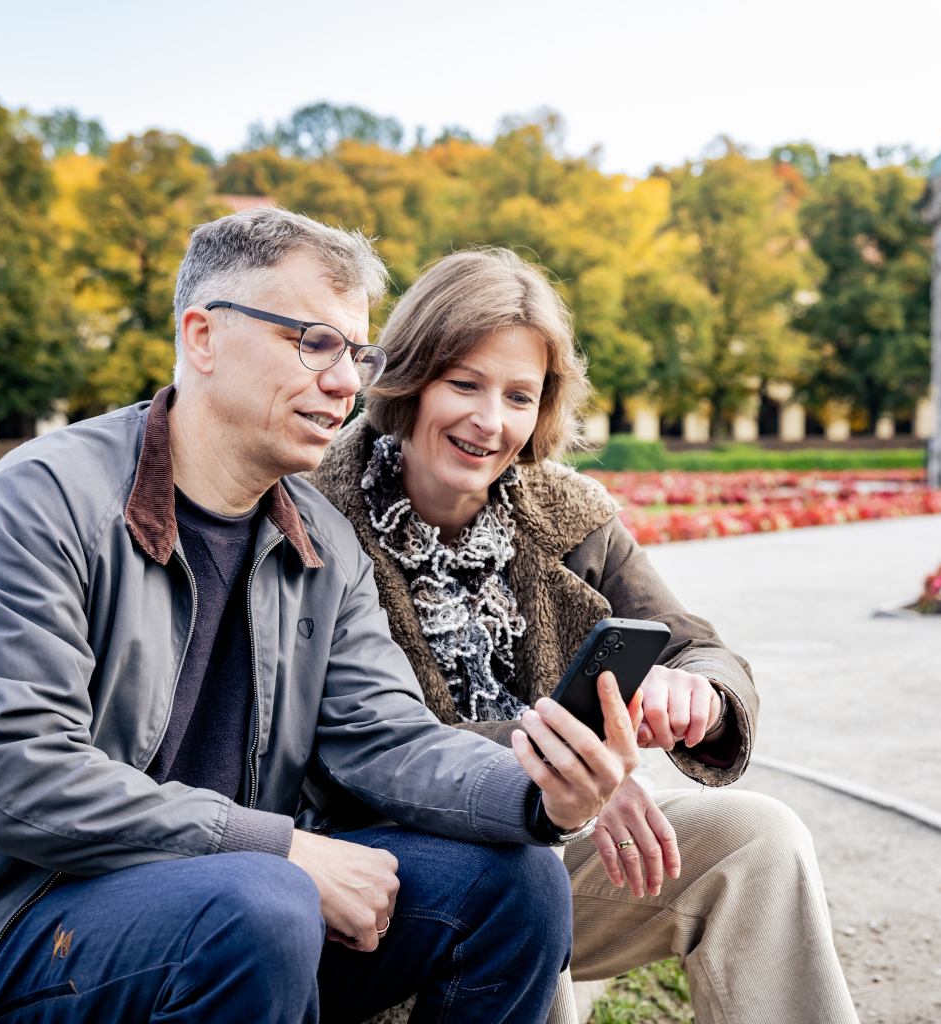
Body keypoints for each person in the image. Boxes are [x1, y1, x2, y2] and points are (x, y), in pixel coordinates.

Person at [0, 210, 644, 1024]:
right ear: (202, 337)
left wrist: (540, 793)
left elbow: (389, 739)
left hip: (231, 911)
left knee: (515, 884)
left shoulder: (322, 544)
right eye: (313, 342)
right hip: (2, 928)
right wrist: (286, 849)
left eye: (356, 353)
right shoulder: (43, 500)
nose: (346, 382)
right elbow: (23, 780)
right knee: (262, 904)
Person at [310, 248, 859, 1024]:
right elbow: (361, 745)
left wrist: (698, 692)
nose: (489, 420)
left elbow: (699, 646)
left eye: (519, 395)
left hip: (564, 822)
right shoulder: (315, 517)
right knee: (521, 880)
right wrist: (573, 775)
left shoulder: (568, 511)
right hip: (395, 865)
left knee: (760, 839)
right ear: (407, 375)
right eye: (463, 382)